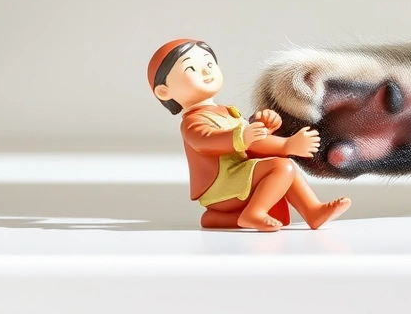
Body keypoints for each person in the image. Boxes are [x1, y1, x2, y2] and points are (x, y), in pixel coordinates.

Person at [147, 38, 350, 231]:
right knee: (282, 166)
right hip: (220, 185)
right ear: (164, 92)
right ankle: (254, 213)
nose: (205, 71)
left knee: (282, 162)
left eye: (209, 64)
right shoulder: (192, 121)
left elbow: (250, 142)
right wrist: (278, 143)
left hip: (237, 175)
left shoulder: (226, 111)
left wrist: (262, 125)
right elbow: (206, 141)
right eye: (190, 68)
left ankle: (311, 210)